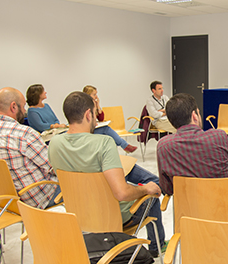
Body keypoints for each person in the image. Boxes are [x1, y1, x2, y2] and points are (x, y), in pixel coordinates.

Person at [48, 91, 166, 257]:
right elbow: (122, 193)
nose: (96, 119)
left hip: (77, 217)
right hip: (113, 217)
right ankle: (156, 248)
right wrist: (146, 189)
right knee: (152, 196)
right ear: (88, 114)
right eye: (95, 114)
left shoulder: (54, 143)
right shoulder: (103, 143)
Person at [156, 93, 228, 221]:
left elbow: (167, 189)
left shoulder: (163, 146)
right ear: (195, 115)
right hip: (227, 216)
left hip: (190, 220)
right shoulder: (219, 137)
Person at [0, 87, 61, 209]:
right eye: (23, 106)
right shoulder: (23, 134)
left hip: (5, 201)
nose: (24, 110)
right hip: (39, 198)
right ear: (13, 106)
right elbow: (54, 167)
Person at [83, 85, 137, 153]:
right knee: (105, 129)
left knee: (108, 136)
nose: (96, 96)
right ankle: (125, 146)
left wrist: (98, 106)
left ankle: (121, 148)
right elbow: (87, 121)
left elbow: (101, 119)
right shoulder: (84, 107)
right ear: (88, 96)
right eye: (94, 94)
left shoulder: (94, 104)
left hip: (93, 129)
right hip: (88, 131)